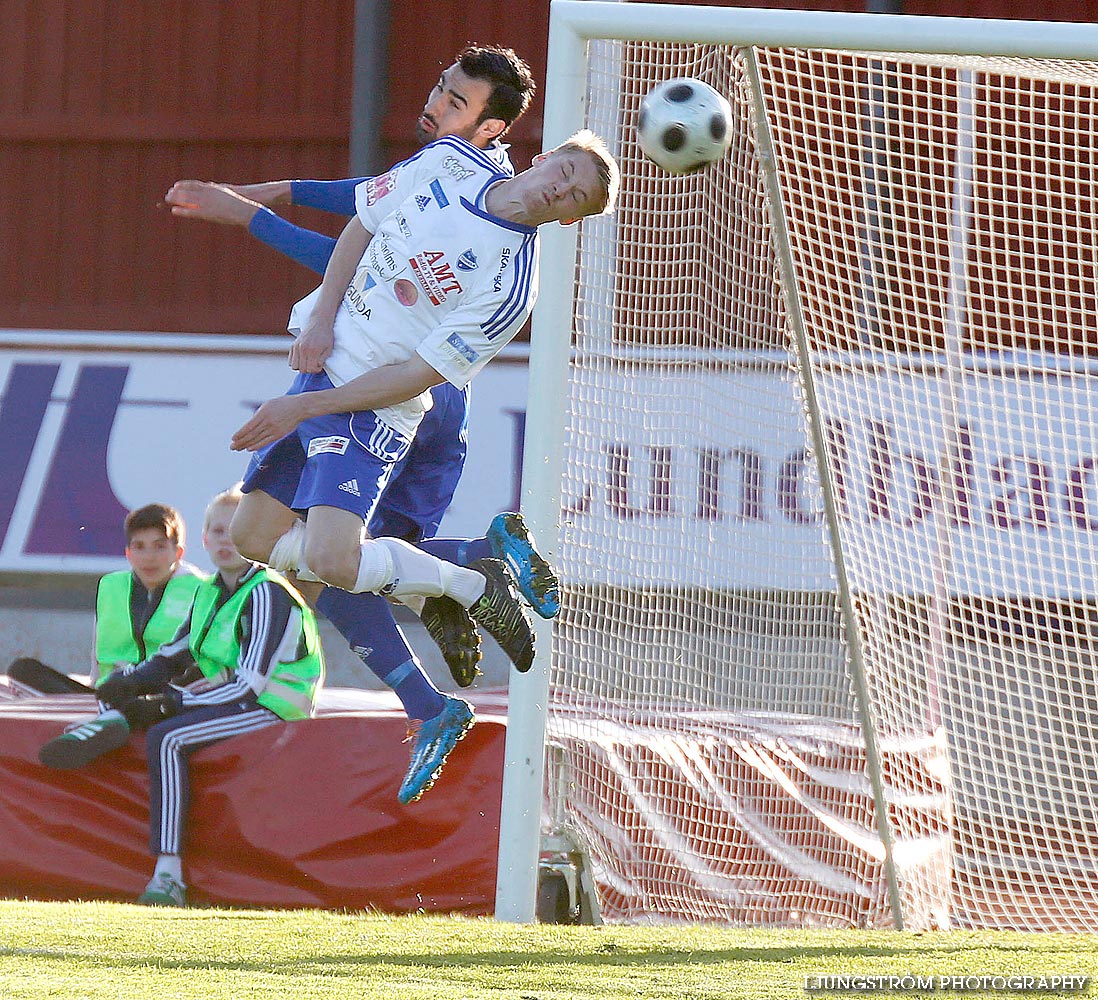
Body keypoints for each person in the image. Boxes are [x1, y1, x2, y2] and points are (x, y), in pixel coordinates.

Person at [225, 128, 618, 805]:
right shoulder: (447, 162)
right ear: (547, 155)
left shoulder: (512, 286)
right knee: (252, 539)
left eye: (575, 195)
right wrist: (321, 322)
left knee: (335, 562)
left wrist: (308, 411)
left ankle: (466, 591)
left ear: (570, 218)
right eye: (568, 170)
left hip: (372, 406)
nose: (562, 188)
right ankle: (471, 567)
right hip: (319, 374)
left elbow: (419, 376)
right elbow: (362, 225)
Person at [40, 485, 325, 908]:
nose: (225, 540)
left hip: (276, 706)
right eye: (217, 531)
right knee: (129, 694)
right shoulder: (209, 591)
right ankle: (112, 718)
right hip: (228, 696)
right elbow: (172, 654)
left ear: (259, 539)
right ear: (204, 541)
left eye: (235, 531)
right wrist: (128, 683)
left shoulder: (269, 591)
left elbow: (250, 685)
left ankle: (169, 874)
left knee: (167, 736)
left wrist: (167, 704)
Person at [9, 503, 204, 700]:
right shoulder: (110, 586)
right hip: (108, 693)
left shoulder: (202, 590)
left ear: (178, 553)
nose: (149, 557)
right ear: (128, 553)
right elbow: (97, 663)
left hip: (164, 697)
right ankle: (93, 711)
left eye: (159, 547)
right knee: (22, 670)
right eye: (139, 547)